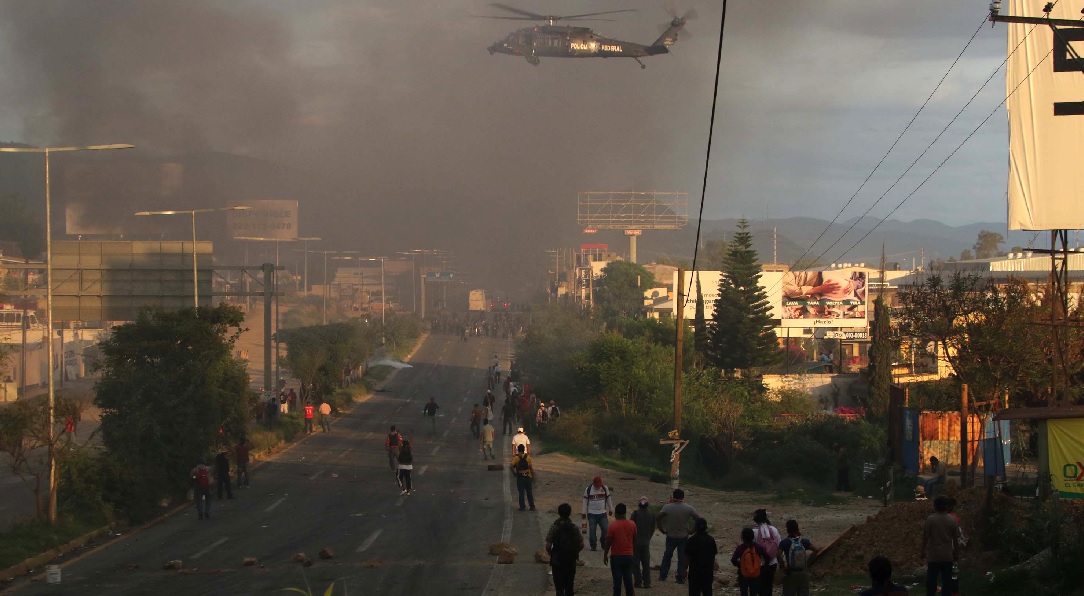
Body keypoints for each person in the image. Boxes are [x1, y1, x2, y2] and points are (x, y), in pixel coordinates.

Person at [657, 488, 700, 584]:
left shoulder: (667, 507)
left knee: (667, 555)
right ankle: (680, 577)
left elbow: (658, 518)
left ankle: (663, 576)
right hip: (683, 536)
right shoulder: (689, 508)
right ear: (683, 497)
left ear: (673, 496)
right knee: (682, 557)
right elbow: (698, 519)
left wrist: (662, 529)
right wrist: (692, 531)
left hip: (670, 535)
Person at [921, 496, 959, 596]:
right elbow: (955, 540)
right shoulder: (952, 520)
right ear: (946, 507)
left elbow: (925, 537)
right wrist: (956, 553)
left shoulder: (930, 519)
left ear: (935, 506)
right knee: (947, 582)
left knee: (931, 582)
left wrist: (922, 551)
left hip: (934, 556)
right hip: (947, 556)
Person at [545, 503, 585, 596]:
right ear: (569, 513)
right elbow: (582, 544)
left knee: (559, 588)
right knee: (569, 586)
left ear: (559, 513)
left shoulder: (554, 527)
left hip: (557, 559)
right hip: (571, 560)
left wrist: (552, 554)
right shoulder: (574, 527)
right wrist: (575, 552)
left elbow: (548, 545)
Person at [603, 503, 637, 596]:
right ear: (625, 513)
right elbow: (634, 539)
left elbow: (608, 542)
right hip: (629, 556)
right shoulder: (632, 524)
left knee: (617, 584)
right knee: (628, 581)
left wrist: (605, 554)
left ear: (616, 514)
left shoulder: (612, 526)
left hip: (616, 557)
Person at [779, 519, 814, 596]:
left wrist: (783, 567)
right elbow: (815, 550)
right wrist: (808, 563)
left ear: (787, 530)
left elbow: (778, 555)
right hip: (803, 573)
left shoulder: (784, 542)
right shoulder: (804, 541)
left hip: (790, 573)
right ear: (797, 528)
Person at [685, 517, 719, 596]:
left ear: (695, 527)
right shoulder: (711, 540)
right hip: (707, 573)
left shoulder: (691, 540)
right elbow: (713, 555)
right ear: (706, 527)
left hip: (695, 574)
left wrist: (684, 569)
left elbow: (687, 558)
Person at [731, 527, 769, 596]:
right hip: (755, 575)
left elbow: (733, 560)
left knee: (743, 593)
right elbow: (767, 558)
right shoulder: (758, 547)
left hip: (743, 574)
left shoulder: (740, 548)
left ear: (742, 537)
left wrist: (741, 565)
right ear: (752, 536)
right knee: (754, 593)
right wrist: (762, 568)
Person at [753, 509, 782, 596]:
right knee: (768, 587)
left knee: (759, 587)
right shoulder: (773, 529)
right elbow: (779, 545)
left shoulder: (753, 532)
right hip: (772, 563)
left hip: (758, 564)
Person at [582, 476, 615, 551]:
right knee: (592, 530)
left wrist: (611, 509)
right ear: (593, 484)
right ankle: (593, 545)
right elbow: (585, 501)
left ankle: (603, 542)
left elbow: (608, 499)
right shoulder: (588, 490)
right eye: (597, 485)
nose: (598, 487)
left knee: (606, 529)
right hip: (592, 513)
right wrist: (584, 512)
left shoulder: (604, 488)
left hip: (602, 513)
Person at [630, 496, 656, 589]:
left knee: (635, 563)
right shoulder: (651, 514)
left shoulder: (635, 514)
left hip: (636, 542)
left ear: (639, 504)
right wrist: (649, 537)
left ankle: (638, 582)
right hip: (646, 542)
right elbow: (653, 528)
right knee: (646, 563)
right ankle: (647, 583)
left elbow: (631, 527)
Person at [509, 444, 536, 511]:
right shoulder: (528, 457)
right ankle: (532, 506)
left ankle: (522, 507)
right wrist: (533, 476)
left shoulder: (516, 458)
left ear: (518, 450)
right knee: (529, 493)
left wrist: (514, 473)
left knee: (521, 493)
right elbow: (531, 468)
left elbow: (511, 466)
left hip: (520, 477)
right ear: (524, 449)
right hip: (527, 477)